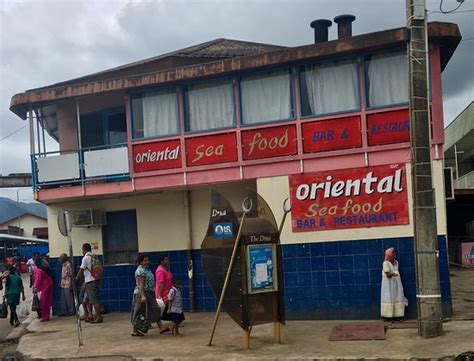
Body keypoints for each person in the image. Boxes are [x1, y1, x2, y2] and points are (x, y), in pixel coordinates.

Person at [131, 254, 168, 336]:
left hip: (150, 293)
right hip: (142, 293)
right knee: (139, 311)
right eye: (145, 261)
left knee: (155, 308)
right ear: (140, 262)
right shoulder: (140, 271)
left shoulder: (147, 269)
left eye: (148, 260)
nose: (147, 262)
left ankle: (161, 327)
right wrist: (143, 296)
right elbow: (141, 285)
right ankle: (134, 330)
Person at [75, 243, 103, 323]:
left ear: (84, 249)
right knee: (88, 299)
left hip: (90, 281)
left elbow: (81, 270)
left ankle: (99, 317)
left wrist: (76, 279)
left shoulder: (85, 258)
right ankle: (90, 315)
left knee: (94, 300)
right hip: (95, 280)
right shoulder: (94, 256)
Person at [381, 247, 406, 320]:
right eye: (392, 253)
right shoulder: (385, 263)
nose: (394, 254)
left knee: (398, 296)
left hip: (397, 283)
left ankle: (397, 315)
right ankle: (389, 316)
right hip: (388, 285)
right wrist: (394, 273)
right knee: (389, 297)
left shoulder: (396, 262)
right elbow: (388, 275)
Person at [33, 257, 53, 322]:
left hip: (44, 287)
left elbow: (38, 280)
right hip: (49, 285)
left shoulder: (39, 270)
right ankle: (47, 315)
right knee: (47, 302)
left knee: (43, 302)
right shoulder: (46, 268)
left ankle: (45, 316)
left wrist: (35, 287)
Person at [155, 255, 172, 321]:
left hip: (168, 291)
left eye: (167, 260)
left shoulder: (166, 269)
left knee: (169, 306)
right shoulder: (160, 271)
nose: (167, 261)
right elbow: (161, 283)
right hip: (163, 292)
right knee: (162, 307)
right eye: (166, 260)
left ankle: (174, 321)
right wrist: (159, 295)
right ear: (161, 261)